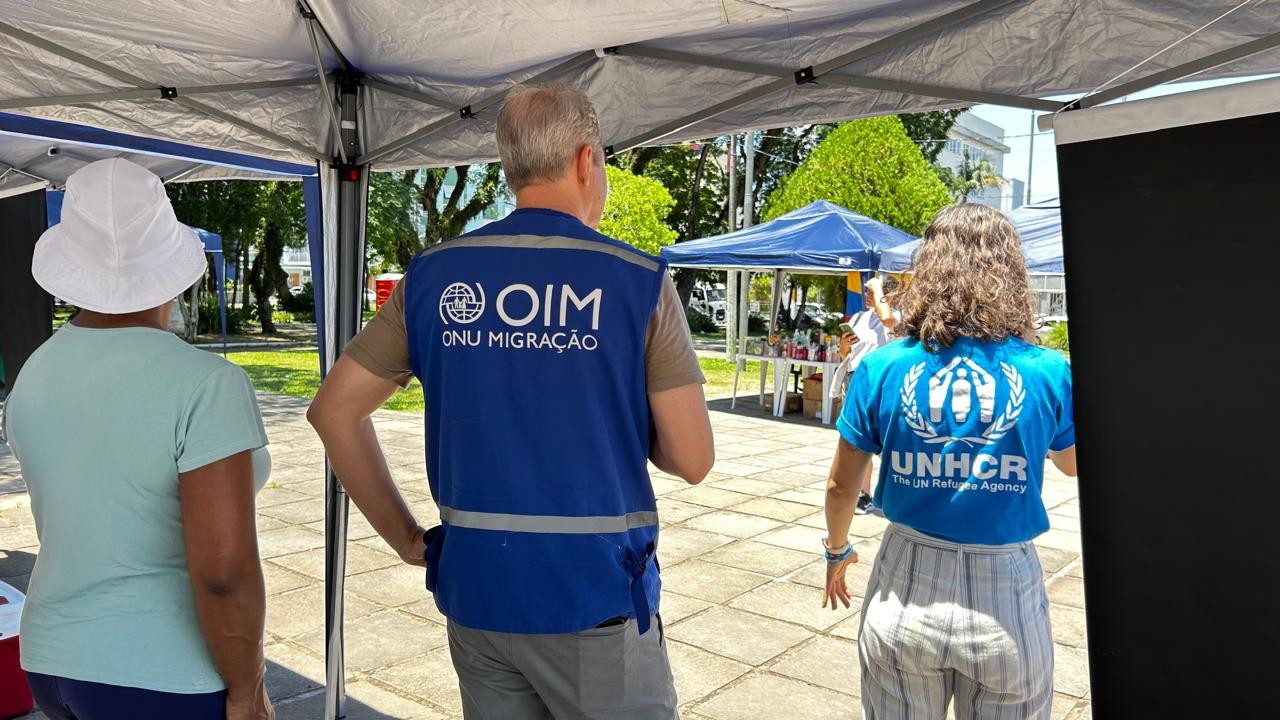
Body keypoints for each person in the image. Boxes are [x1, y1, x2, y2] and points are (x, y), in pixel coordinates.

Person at [307, 83, 714, 719]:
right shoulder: (638, 282)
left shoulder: (431, 277)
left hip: (479, 596)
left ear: (510, 167)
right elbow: (692, 459)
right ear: (586, 161)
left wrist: (407, 539)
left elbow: (333, 411)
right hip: (592, 597)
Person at [1, 159, 274, 720]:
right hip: (159, 669)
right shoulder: (207, 384)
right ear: (173, 268)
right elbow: (224, 575)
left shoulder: (34, 373)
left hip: (52, 655)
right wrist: (249, 690)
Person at [821, 203, 1077, 719]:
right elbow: (1073, 465)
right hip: (1007, 596)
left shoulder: (884, 366)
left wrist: (837, 550)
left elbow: (842, 487)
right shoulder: (1048, 371)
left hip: (905, 585)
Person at [828, 275, 900, 514]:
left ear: (887, 295)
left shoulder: (897, 316)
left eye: (871, 291)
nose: (867, 295)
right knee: (857, 441)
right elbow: (845, 354)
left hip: (882, 382)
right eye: (867, 291)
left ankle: (890, 492)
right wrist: (845, 344)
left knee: (886, 442)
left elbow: (888, 320)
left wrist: (878, 287)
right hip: (855, 378)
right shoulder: (859, 318)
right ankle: (863, 493)